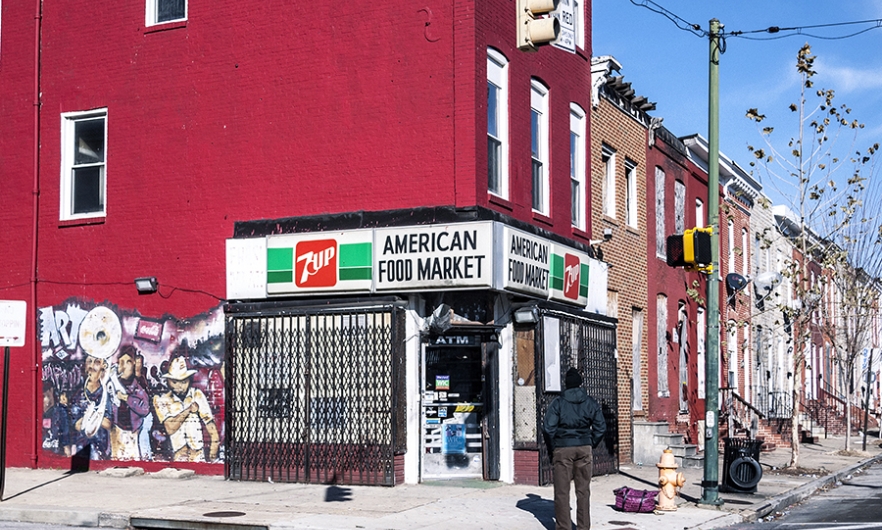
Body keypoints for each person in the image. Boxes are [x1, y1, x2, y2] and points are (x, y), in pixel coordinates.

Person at [543, 367, 607, 530]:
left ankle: (564, 527)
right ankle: (583, 527)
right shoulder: (590, 402)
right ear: (580, 383)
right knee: (583, 491)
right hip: (584, 447)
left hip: (563, 448)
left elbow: (548, 428)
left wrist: (553, 448)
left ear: (566, 384)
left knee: (562, 492)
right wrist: (591, 442)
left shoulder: (558, 403)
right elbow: (601, 426)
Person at [153, 356, 220, 462]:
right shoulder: (162, 400)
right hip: (179, 454)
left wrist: (213, 457)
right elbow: (170, 428)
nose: (180, 386)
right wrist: (188, 410)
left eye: (184, 381)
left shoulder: (196, 394)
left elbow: (211, 428)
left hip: (198, 454)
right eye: (175, 382)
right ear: (168, 381)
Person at [109, 345, 150, 460]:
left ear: (133, 365)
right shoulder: (112, 384)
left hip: (132, 434)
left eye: (128, 362)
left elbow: (145, 408)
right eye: (121, 361)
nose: (123, 366)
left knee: (133, 459)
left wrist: (127, 399)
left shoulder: (137, 387)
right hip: (116, 432)